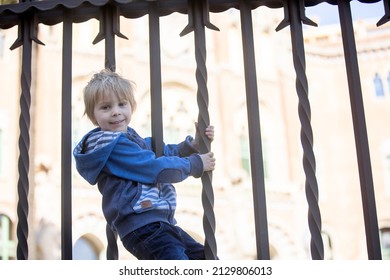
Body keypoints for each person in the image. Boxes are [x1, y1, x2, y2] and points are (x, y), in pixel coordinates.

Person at [73, 69, 216, 260]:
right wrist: (195, 164)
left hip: (159, 223)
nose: (116, 111)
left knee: (206, 258)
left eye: (122, 104)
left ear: (131, 107)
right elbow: (153, 167)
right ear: (93, 116)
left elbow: (160, 152)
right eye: (106, 107)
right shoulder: (112, 146)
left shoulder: (130, 139)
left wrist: (191, 146)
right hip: (143, 226)